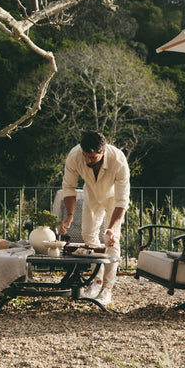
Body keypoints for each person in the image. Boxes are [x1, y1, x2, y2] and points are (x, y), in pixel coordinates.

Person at [59, 131, 130, 307]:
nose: (87, 160)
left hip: (113, 198)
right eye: (85, 156)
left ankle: (107, 288)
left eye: (92, 157)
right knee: (88, 235)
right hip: (91, 193)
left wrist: (112, 228)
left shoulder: (119, 160)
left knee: (110, 240)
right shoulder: (75, 156)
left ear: (103, 151)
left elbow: (122, 200)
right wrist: (69, 215)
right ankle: (96, 282)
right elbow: (68, 187)